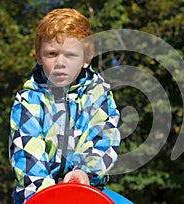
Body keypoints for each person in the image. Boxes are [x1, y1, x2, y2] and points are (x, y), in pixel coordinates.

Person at [9, 8, 132, 204]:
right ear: (39, 57)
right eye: (51, 54)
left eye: (70, 55)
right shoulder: (29, 101)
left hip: (87, 188)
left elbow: (104, 139)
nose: (60, 63)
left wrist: (84, 172)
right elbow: (26, 154)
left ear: (86, 58)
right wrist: (47, 196)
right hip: (39, 195)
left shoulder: (99, 95)